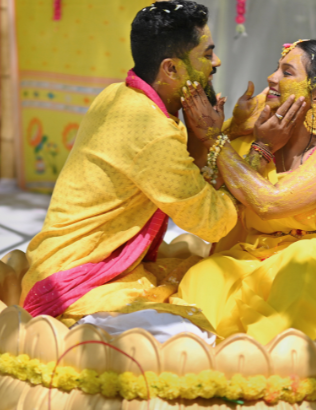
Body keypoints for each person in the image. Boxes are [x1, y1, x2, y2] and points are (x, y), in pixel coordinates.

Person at [18, 0, 239, 330]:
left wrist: (214, 135)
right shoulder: (151, 132)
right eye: (207, 54)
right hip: (79, 281)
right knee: (198, 327)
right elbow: (215, 223)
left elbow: (183, 172)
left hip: (68, 262)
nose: (216, 62)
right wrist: (256, 150)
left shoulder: (116, 95)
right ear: (171, 69)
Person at [176, 39, 316, 345]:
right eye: (277, 68)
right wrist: (236, 131)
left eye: (287, 72)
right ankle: (207, 364)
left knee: (301, 272)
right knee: (205, 277)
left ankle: (279, 369)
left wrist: (217, 137)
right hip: (255, 256)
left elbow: (269, 203)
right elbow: (210, 190)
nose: (271, 78)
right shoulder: (260, 136)